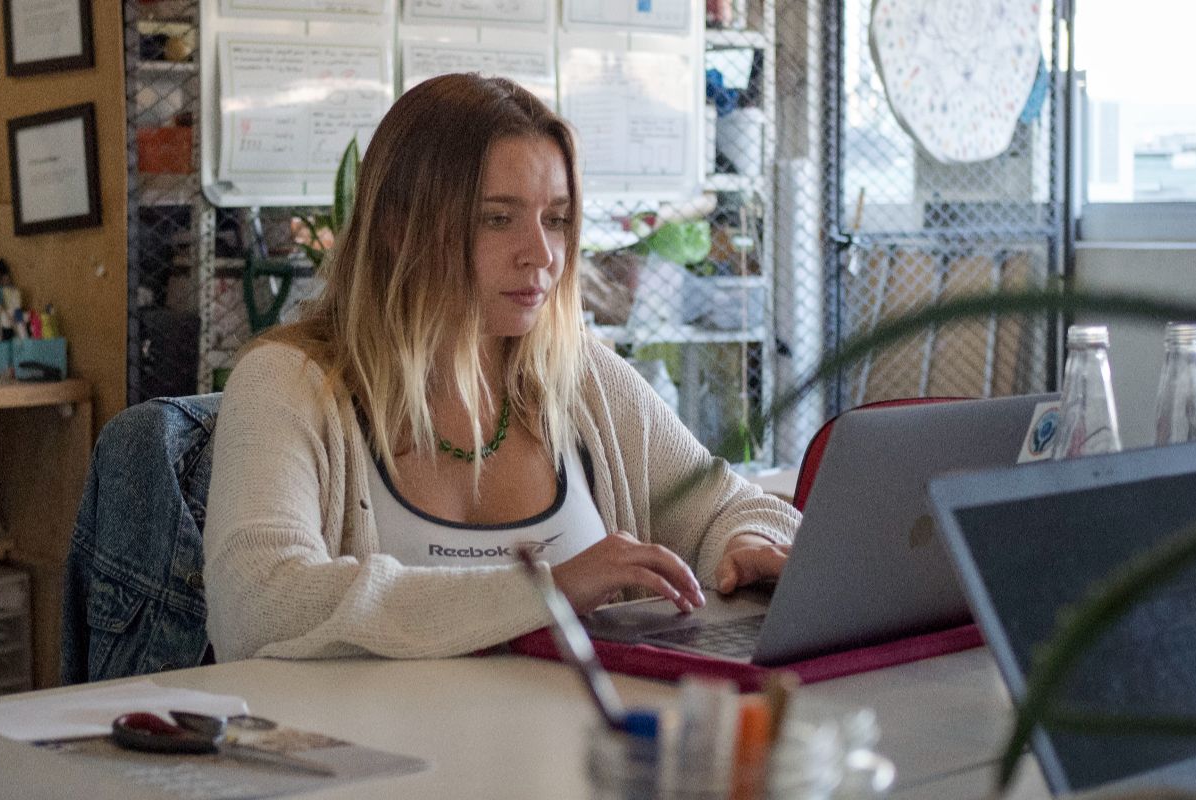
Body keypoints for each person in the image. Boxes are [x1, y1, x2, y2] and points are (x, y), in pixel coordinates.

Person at [203, 74, 800, 662]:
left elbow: (731, 506)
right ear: (396, 227)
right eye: (497, 218)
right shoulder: (286, 383)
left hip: (569, 748)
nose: (540, 254)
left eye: (557, 219)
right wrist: (547, 591)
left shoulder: (582, 378)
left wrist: (746, 545)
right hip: (381, 753)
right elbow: (257, 603)